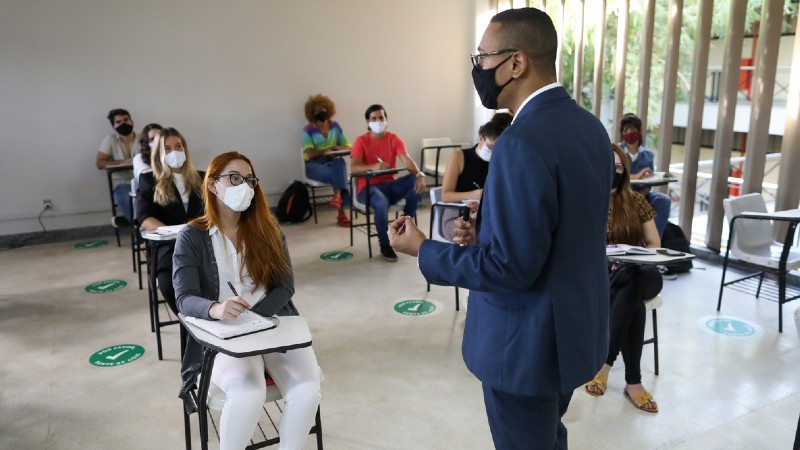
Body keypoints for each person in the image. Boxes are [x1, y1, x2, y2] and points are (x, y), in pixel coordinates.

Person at [388, 8, 612, 449]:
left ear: (516, 62)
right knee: (548, 434)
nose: (478, 70)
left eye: (482, 58)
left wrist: (423, 249)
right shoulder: (590, 128)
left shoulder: (520, 142)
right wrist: (486, 233)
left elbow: (510, 269)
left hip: (525, 345)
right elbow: (563, 230)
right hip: (573, 330)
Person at [173, 151, 321, 450]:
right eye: (235, 178)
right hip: (225, 332)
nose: (245, 186)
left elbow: (285, 286)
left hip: (273, 319)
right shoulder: (192, 236)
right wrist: (216, 309)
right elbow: (185, 299)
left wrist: (257, 317)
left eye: (250, 180)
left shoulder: (268, 228)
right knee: (248, 393)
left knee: (307, 390)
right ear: (213, 184)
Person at [584, 144, 661, 413]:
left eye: (619, 168)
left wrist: (634, 256)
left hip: (644, 271)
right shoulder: (587, 201)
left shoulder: (635, 200)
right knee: (633, 300)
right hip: (607, 277)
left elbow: (654, 243)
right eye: (610, 168)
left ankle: (604, 364)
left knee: (633, 276)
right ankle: (633, 382)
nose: (615, 173)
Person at [136, 127, 204, 314]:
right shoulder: (149, 180)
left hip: (202, 243)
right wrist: (175, 233)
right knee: (169, 284)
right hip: (168, 246)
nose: (174, 152)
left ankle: (207, 318)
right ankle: (190, 323)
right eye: (167, 148)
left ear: (185, 149)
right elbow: (145, 218)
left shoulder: (202, 177)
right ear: (159, 153)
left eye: (178, 146)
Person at [350, 104, 426, 262]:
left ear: (386, 119)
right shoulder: (361, 141)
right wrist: (374, 167)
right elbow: (354, 168)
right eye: (374, 118)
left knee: (413, 181)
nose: (378, 121)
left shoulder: (393, 138)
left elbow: (406, 160)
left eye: (381, 117)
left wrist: (419, 174)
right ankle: (385, 245)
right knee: (381, 202)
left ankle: (405, 226)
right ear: (368, 121)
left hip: (390, 186)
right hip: (368, 188)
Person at [439, 112, 512, 241]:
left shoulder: (502, 162)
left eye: (498, 148)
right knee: (483, 236)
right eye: (491, 147)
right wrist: (473, 194)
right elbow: (445, 196)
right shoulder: (459, 157)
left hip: (488, 216)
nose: (494, 152)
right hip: (458, 215)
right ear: (481, 137)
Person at [302, 94, 351, 227]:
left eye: (323, 109)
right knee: (339, 174)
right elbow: (310, 154)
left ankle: (337, 198)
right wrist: (325, 151)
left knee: (339, 163)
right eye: (317, 111)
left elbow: (348, 146)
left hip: (333, 162)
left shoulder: (335, 126)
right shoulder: (308, 130)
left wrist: (335, 148)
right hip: (313, 165)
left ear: (328, 110)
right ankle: (342, 212)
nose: (321, 112)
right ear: (312, 114)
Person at [619, 113, 672, 237]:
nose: (629, 132)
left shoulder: (648, 154)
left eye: (632, 129)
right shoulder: (617, 152)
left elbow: (649, 184)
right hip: (622, 193)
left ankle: (653, 240)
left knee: (663, 200)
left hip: (642, 194)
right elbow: (613, 174)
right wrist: (636, 176)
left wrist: (644, 189)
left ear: (639, 131)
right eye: (625, 130)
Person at [96, 108, 140, 227]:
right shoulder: (110, 140)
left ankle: (128, 221)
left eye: (126, 120)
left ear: (132, 121)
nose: (123, 124)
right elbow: (100, 163)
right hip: (122, 183)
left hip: (142, 180)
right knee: (124, 197)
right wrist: (122, 162)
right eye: (118, 122)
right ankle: (138, 227)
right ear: (113, 126)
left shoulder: (143, 138)